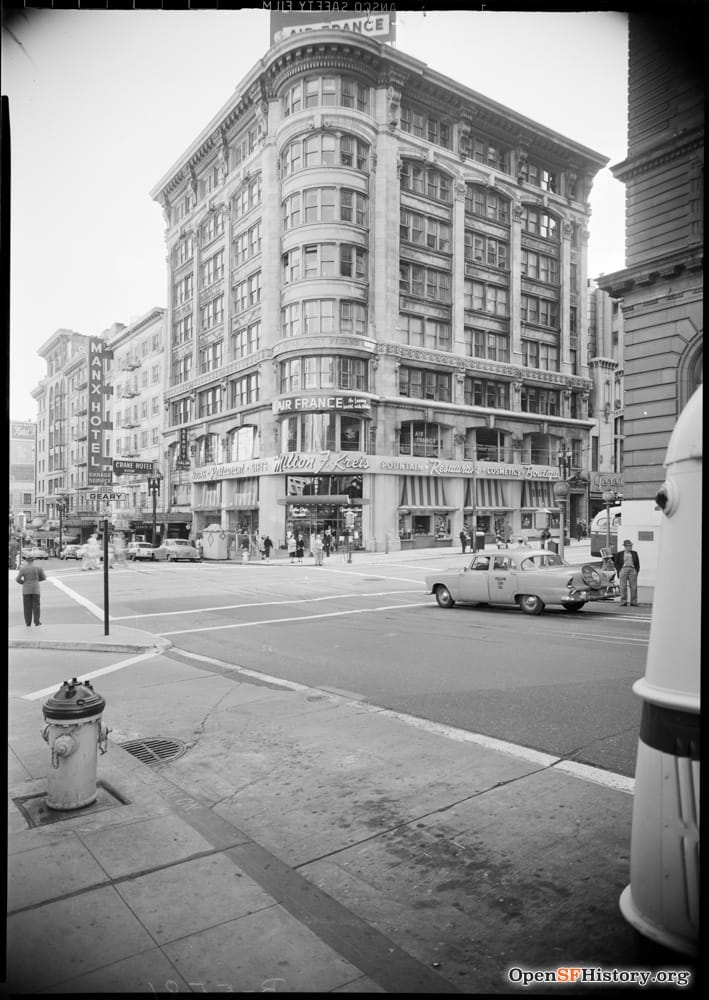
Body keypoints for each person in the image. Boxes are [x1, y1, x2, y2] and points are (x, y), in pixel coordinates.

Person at [16, 553, 46, 627]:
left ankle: (28, 623)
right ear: (33, 560)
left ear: (27, 560)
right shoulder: (38, 568)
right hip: (36, 589)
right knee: (36, 606)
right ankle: (37, 622)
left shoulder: (23, 569)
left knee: (27, 607)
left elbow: (18, 579)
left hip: (26, 590)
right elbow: (44, 577)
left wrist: (24, 583)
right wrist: (37, 581)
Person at [614, 538, 640, 606]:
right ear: (625, 546)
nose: (630, 547)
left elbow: (637, 563)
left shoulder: (634, 553)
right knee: (623, 586)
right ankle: (623, 601)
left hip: (632, 569)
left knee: (634, 587)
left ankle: (634, 602)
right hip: (623, 569)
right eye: (629, 546)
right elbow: (616, 563)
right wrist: (619, 570)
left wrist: (636, 570)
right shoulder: (619, 554)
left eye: (631, 545)